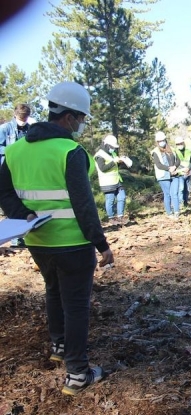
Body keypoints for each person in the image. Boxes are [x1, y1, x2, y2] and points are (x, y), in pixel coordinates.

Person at [0, 81, 113, 395]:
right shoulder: (70, 151)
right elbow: (83, 203)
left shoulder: (15, 149)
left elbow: (4, 193)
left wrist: (24, 214)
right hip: (73, 243)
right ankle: (77, 373)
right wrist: (101, 243)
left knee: (53, 292)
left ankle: (59, 346)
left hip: (38, 242)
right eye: (81, 118)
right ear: (69, 117)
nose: (81, 125)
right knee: (76, 306)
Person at [0, 104, 32, 247]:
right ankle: (15, 239)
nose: (23, 120)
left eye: (25, 117)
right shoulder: (5, 129)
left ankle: (23, 235)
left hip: (23, 170)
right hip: (8, 168)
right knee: (11, 201)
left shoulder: (29, 129)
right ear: (15, 115)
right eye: (21, 117)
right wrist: (14, 150)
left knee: (23, 201)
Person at [94, 134, 131, 224]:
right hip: (107, 182)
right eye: (111, 147)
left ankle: (120, 217)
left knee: (122, 197)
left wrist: (120, 162)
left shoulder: (113, 153)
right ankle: (111, 218)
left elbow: (115, 166)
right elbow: (103, 168)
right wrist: (114, 161)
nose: (113, 149)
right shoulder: (99, 155)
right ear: (106, 145)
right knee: (110, 200)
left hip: (117, 180)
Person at [151, 131, 180, 219]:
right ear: (157, 142)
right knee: (167, 194)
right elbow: (159, 165)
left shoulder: (172, 149)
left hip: (174, 174)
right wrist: (168, 168)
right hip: (163, 176)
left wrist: (175, 166)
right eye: (159, 141)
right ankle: (169, 213)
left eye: (162, 140)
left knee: (174, 194)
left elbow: (178, 160)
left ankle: (177, 211)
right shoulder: (155, 152)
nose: (161, 142)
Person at [174, 136, 191, 208]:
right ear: (176, 145)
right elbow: (175, 163)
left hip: (188, 173)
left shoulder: (188, 151)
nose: (180, 145)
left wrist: (188, 168)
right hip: (180, 174)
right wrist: (182, 169)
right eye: (178, 144)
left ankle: (186, 203)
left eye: (181, 143)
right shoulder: (175, 152)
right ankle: (180, 203)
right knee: (181, 189)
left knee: (187, 189)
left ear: (183, 143)